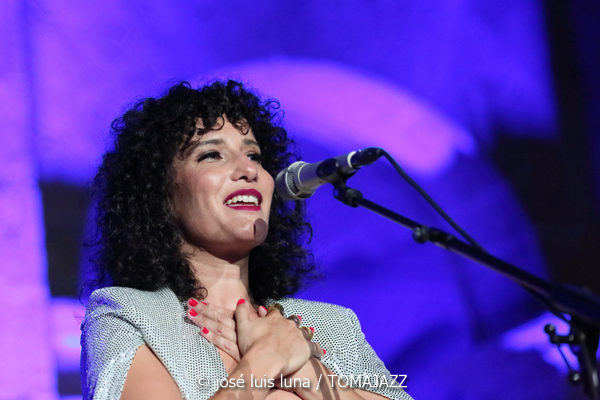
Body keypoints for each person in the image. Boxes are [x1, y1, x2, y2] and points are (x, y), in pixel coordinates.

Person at [80, 80, 413, 400]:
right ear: (160, 196)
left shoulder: (333, 327)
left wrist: (309, 373)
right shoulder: (131, 316)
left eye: (254, 156)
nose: (248, 170)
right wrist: (265, 359)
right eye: (211, 154)